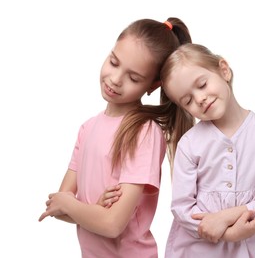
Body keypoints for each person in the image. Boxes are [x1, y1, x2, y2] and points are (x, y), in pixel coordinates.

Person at [38, 17, 194, 258]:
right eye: (113, 62)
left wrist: (76, 206)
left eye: (133, 78)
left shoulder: (144, 132)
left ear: (153, 85)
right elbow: (57, 209)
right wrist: (91, 210)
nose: (115, 79)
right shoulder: (87, 129)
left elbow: (111, 225)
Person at [159, 43, 255, 258]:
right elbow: (182, 207)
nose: (199, 98)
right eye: (188, 100)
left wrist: (227, 217)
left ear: (224, 70)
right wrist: (227, 234)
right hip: (200, 249)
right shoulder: (189, 144)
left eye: (202, 85)